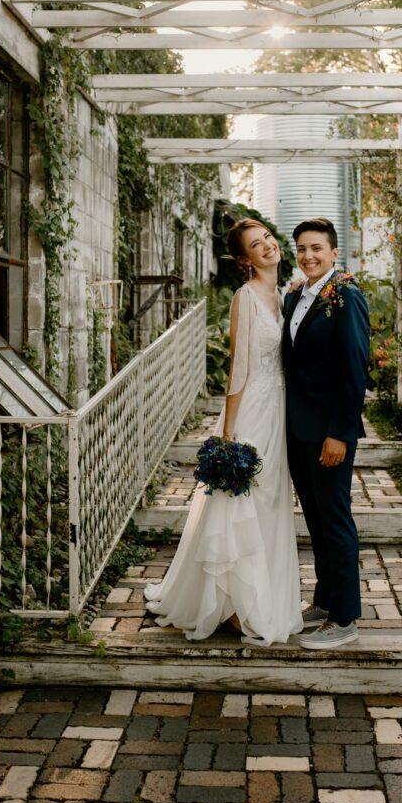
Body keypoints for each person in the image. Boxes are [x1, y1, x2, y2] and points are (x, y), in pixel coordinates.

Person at [144, 218, 303, 646]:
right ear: (243, 260)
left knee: (269, 503)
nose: (268, 246)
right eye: (256, 244)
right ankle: (232, 605)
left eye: (268, 237)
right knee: (240, 502)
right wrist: (229, 429)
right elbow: (240, 366)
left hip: (279, 410)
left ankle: (258, 594)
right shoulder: (245, 298)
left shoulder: (288, 295)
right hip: (250, 411)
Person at [283, 218, 370, 650]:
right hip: (298, 429)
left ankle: (345, 617)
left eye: (316, 248)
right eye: (301, 248)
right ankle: (324, 600)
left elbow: (354, 370)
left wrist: (340, 432)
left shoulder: (346, 296)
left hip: (330, 432)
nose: (308, 256)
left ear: (334, 253)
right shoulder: (296, 296)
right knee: (316, 521)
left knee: (335, 521)